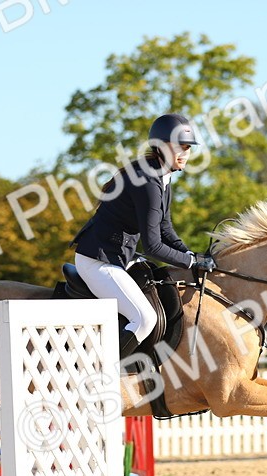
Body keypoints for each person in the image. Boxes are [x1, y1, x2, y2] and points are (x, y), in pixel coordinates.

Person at [71, 113, 215, 358]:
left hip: (120, 257)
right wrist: (191, 262)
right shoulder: (147, 182)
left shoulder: (161, 177)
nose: (185, 153)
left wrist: (190, 253)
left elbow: (165, 227)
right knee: (144, 318)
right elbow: (154, 247)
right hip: (98, 261)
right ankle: (104, 376)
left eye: (188, 147)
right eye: (180, 146)